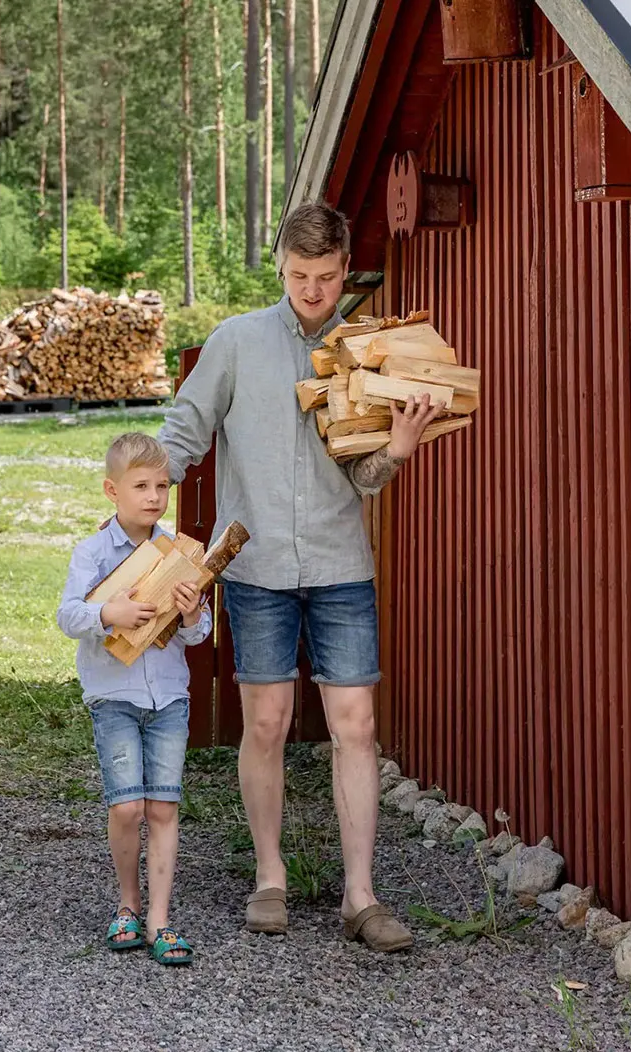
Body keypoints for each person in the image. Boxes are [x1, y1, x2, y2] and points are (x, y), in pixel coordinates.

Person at [157, 201, 443, 953]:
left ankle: (360, 895)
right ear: (279, 268)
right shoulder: (237, 342)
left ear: (346, 270)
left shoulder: (365, 350)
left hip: (340, 566)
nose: (311, 291)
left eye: (324, 277)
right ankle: (271, 877)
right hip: (254, 569)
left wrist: (403, 445)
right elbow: (183, 430)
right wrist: (143, 511)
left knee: (356, 726)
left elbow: (368, 476)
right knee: (266, 723)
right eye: (297, 276)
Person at [57, 431, 212, 965]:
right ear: (111, 490)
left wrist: (193, 613)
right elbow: (67, 615)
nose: (153, 496)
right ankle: (127, 904)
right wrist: (109, 615)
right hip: (114, 697)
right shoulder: (94, 553)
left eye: (161, 486)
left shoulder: (175, 554)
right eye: (140, 485)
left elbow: (200, 632)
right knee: (127, 808)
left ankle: (160, 920)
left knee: (163, 806)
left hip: (168, 698)